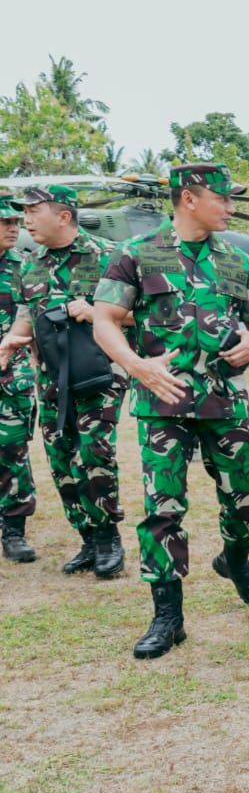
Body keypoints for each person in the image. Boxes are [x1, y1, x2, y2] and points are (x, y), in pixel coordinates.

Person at [93, 163, 249, 659]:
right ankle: (168, 616)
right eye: (223, 198)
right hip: (163, 399)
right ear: (189, 199)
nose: (231, 207)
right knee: (163, 509)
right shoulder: (137, 253)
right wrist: (136, 366)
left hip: (224, 399)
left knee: (248, 502)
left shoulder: (237, 260)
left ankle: (236, 560)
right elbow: (104, 320)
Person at [0, 185, 126, 578]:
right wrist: (12, 339)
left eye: (32, 211)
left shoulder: (108, 255)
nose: (25, 220)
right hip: (51, 375)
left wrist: (96, 312)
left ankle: (107, 537)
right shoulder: (30, 263)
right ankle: (87, 537)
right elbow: (26, 312)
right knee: (60, 456)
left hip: (99, 374)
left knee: (94, 452)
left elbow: (142, 312)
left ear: (63, 216)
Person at [0, 195, 38, 563]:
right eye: (5, 222)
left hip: (11, 378)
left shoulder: (25, 267)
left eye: (15, 222)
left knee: (12, 453)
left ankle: (13, 531)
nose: (13, 228)